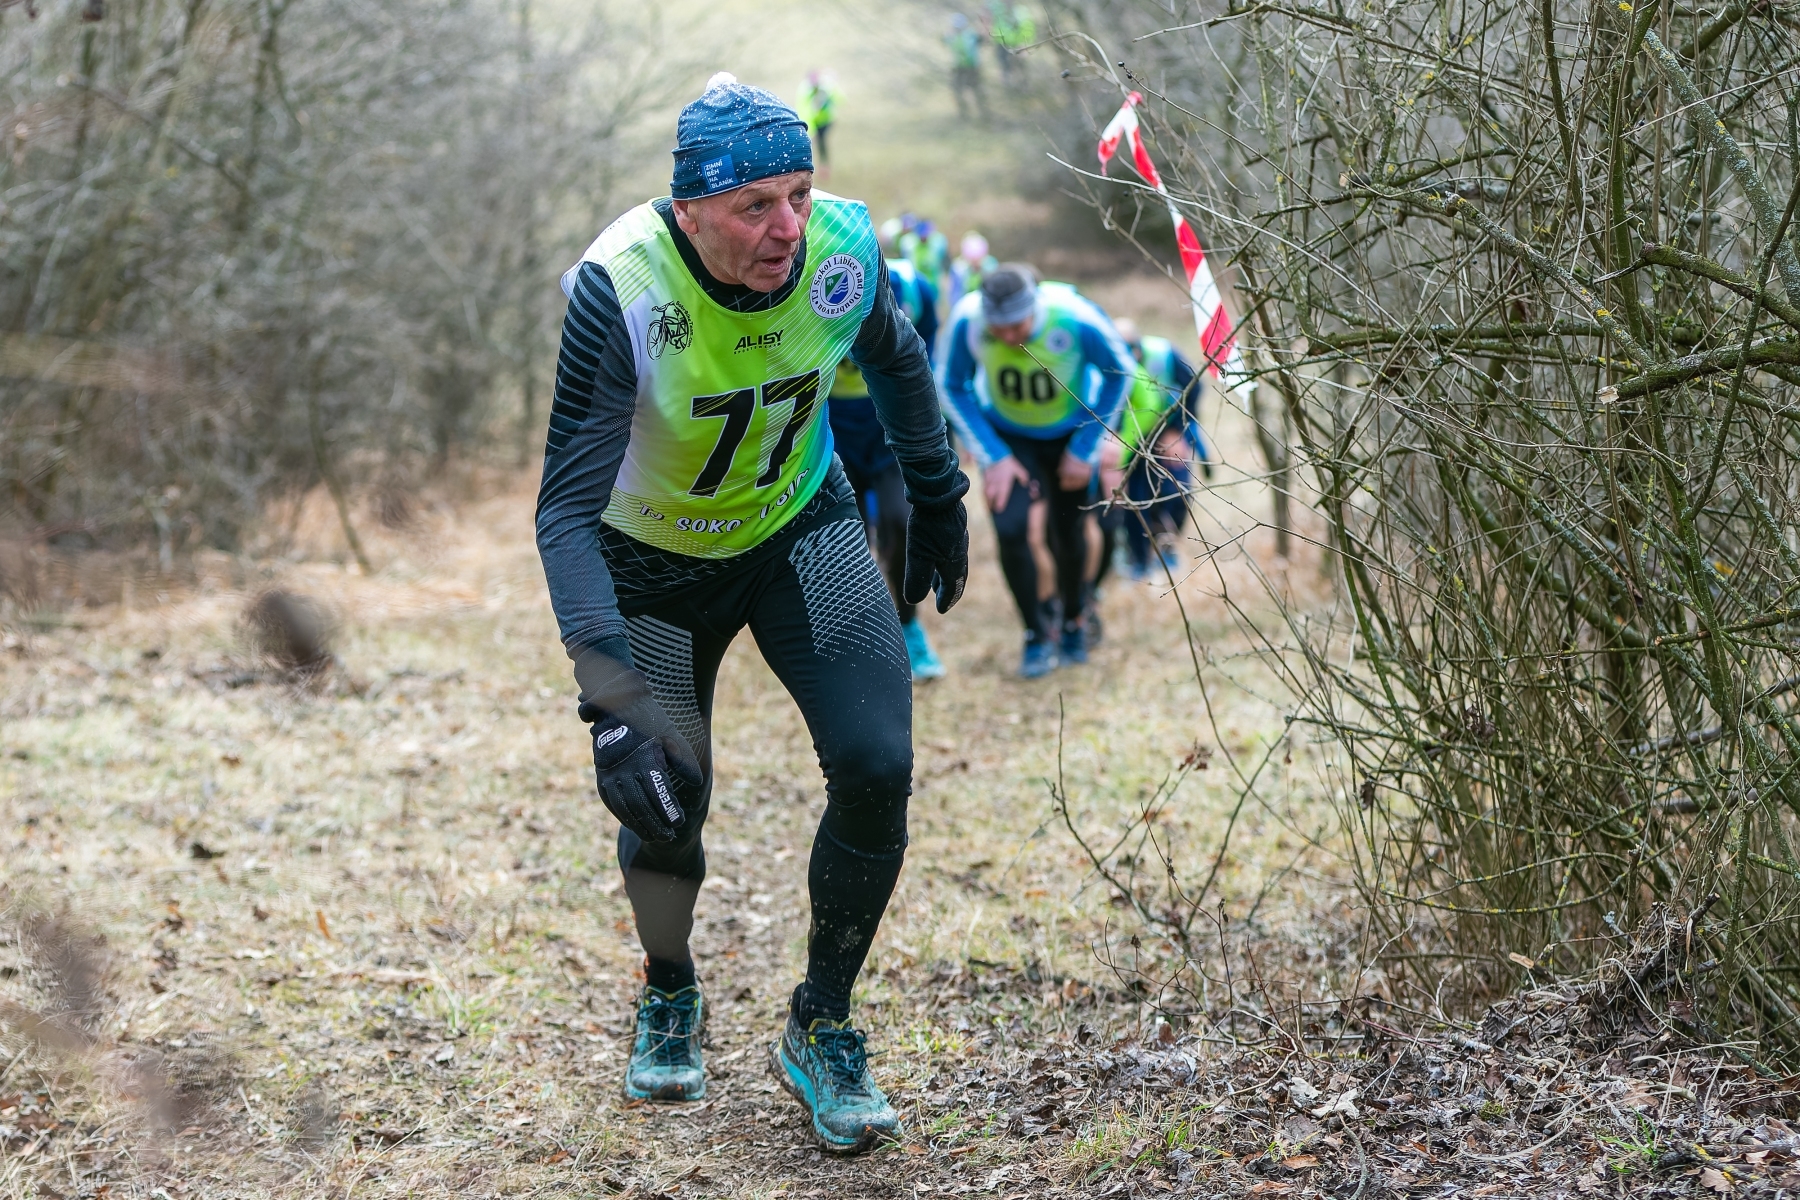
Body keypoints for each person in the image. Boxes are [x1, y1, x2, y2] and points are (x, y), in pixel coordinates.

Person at [536, 73, 969, 1154]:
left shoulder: (840, 247)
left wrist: (938, 493)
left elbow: (896, 356)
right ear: (690, 212)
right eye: (755, 206)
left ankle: (822, 1022)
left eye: (800, 194)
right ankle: (669, 987)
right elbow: (564, 513)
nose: (789, 227)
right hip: (653, 565)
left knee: (876, 763)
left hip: (796, 529)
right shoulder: (622, 286)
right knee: (665, 801)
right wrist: (610, 699)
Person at [939, 264, 1135, 677]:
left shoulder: (1075, 316)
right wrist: (993, 454)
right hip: (1010, 439)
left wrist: (1086, 447)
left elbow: (1121, 374)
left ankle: (1074, 619)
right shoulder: (968, 319)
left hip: (1070, 436)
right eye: (999, 328)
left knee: (1068, 531)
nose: (1009, 336)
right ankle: (1036, 633)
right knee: (1011, 530)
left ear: (1035, 308)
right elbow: (950, 384)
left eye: (1018, 325)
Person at [827, 255, 947, 678]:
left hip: (889, 426)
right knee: (849, 539)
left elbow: (927, 354)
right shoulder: (819, 279)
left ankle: (909, 626)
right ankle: (861, 639)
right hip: (832, 424)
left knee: (901, 523)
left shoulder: (915, 286)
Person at [1098, 319, 1215, 579]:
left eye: (1131, 348)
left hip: (1167, 431)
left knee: (1177, 491)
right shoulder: (1104, 364)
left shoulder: (1164, 355)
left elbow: (1194, 387)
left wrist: (1178, 430)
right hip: (1127, 437)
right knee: (1134, 498)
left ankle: (1166, 548)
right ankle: (1137, 557)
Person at [798, 70, 841, 178]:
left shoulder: (826, 88)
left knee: (822, 144)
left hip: (826, 121)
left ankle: (823, 167)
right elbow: (805, 111)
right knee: (813, 144)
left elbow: (838, 98)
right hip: (814, 123)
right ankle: (814, 167)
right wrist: (811, 129)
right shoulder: (805, 92)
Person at [947, 14, 986, 119]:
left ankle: (983, 113)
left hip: (972, 67)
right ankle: (964, 114)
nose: (958, 28)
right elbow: (944, 39)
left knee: (977, 90)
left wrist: (983, 27)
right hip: (959, 68)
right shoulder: (951, 36)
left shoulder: (971, 34)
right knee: (957, 90)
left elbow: (982, 39)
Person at [988, 2, 1035, 83]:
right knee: (1005, 67)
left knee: (1019, 68)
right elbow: (995, 25)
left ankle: (1022, 83)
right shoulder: (998, 10)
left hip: (1016, 45)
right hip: (1001, 45)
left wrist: (1024, 43)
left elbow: (1028, 29)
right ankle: (1007, 84)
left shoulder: (1021, 11)